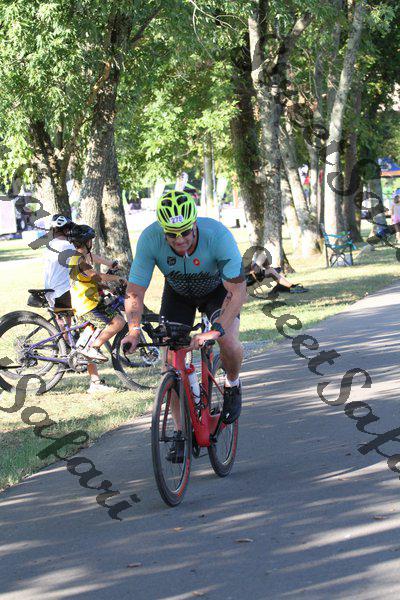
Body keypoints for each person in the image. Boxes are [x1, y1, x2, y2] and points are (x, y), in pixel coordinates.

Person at [122, 190, 247, 461]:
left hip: (218, 292)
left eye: (186, 232)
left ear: (195, 225)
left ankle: (233, 384)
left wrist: (216, 329)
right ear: (162, 230)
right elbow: (135, 291)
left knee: (227, 340)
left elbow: (238, 291)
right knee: (171, 362)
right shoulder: (150, 239)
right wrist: (133, 330)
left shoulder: (217, 236)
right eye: (172, 234)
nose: (180, 240)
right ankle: (180, 433)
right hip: (178, 294)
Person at [44, 215, 117, 393]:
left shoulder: (53, 244)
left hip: (54, 289)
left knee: (84, 333)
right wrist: (112, 270)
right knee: (86, 330)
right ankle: (72, 352)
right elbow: (91, 268)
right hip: (65, 292)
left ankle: (87, 368)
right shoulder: (69, 247)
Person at [68, 224, 127, 364]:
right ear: (86, 242)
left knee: (89, 338)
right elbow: (96, 276)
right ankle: (94, 348)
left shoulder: (79, 256)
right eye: (90, 240)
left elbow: (90, 272)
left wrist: (109, 266)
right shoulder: (79, 261)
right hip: (87, 306)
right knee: (118, 322)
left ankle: (87, 353)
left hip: (88, 303)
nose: (92, 243)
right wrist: (117, 278)